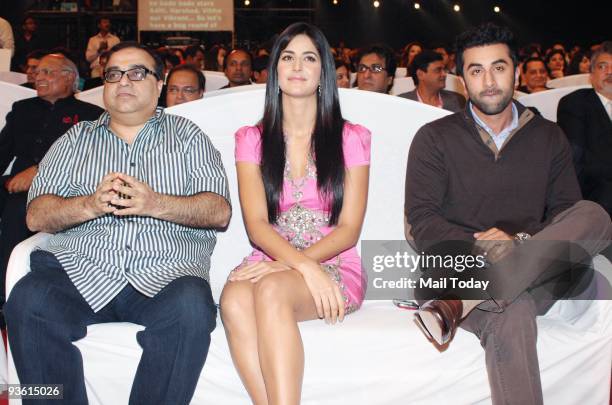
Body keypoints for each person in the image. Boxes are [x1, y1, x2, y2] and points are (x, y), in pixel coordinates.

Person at [4, 42, 231, 404]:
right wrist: (90, 204)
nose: (123, 81)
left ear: (159, 85)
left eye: (137, 72)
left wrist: (155, 203)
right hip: (80, 270)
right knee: (26, 301)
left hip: (165, 274)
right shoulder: (74, 141)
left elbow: (218, 211)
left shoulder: (189, 138)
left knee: (191, 307)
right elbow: (36, 215)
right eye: (113, 74)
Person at [404, 23, 611, 405]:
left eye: (498, 67)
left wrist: (517, 244)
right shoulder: (434, 138)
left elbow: (567, 213)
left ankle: (467, 300)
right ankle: (492, 287)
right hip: (453, 270)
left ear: (515, 72)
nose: (488, 81)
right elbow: (422, 222)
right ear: (462, 80)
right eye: (476, 70)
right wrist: (479, 245)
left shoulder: (549, 137)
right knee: (513, 311)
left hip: (529, 268)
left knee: (594, 215)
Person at [220, 22, 370, 404]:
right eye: (287, 57)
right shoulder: (251, 139)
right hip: (273, 258)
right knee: (233, 299)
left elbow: (350, 228)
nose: (298, 66)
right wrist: (297, 266)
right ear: (274, 70)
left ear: (324, 71)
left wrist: (300, 266)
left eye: (309, 58)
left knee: (269, 290)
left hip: (335, 263)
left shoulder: (351, 137)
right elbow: (256, 224)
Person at [0, 53, 103, 308]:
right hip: (14, 183)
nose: (38, 78)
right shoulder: (23, 109)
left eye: (48, 72)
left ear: (69, 78)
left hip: (62, 188)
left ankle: (6, 293)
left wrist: (40, 171)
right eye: (38, 73)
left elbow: (89, 160)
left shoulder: (91, 115)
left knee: (17, 209)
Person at [558, 41, 612, 216]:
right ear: (591, 74)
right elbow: (578, 160)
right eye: (602, 66)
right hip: (596, 193)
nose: (609, 72)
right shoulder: (575, 103)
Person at [398, 50, 466, 112]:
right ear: (420, 74)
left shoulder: (455, 100)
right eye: (438, 70)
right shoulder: (403, 102)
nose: (444, 74)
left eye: (444, 69)